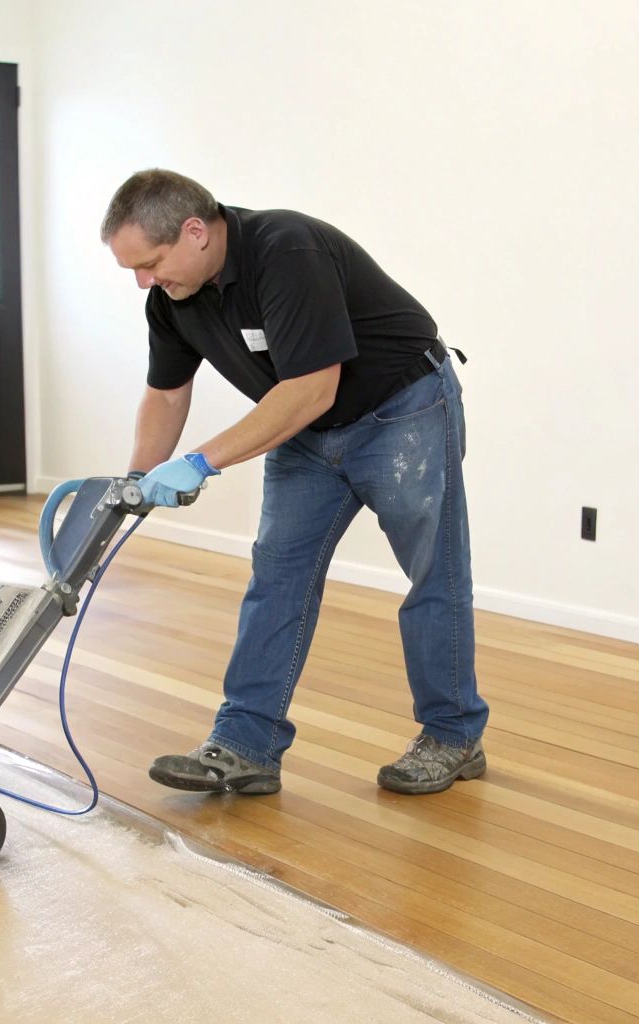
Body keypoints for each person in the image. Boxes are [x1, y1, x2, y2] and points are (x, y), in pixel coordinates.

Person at [101, 168, 488, 796]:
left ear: (195, 231)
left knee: (433, 574)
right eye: (134, 272)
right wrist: (138, 480)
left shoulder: (285, 251)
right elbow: (167, 394)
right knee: (277, 577)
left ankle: (453, 733)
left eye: (150, 263)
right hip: (305, 430)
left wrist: (200, 462)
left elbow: (312, 386)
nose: (145, 281)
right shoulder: (171, 300)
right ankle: (245, 745)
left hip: (403, 409)